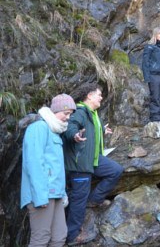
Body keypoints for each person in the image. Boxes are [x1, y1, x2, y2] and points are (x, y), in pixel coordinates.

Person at [63, 84, 123, 246]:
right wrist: (74, 135)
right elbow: (71, 126)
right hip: (81, 163)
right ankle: (71, 236)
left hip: (94, 159)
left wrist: (101, 130)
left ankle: (94, 200)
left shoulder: (93, 114)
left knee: (116, 170)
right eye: (99, 94)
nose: (101, 97)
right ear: (89, 96)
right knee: (78, 200)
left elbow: (89, 131)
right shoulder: (81, 112)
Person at [20, 94, 75, 247]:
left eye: (70, 114)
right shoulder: (38, 127)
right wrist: (40, 195)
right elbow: (34, 163)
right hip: (42, 193)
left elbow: (56, 167)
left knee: (59, 237)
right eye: (66, 113)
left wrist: (63, 193)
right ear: (56, 110)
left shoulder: (54, 131)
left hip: (55, 192)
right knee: (40, 239)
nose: (68, 118)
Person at [141, 27, 160, 122]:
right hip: (154, 75)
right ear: (155, 35)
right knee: (155, 96)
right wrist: (147, 77)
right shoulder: (150, 47)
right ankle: (155, 119)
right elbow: (145, 63)